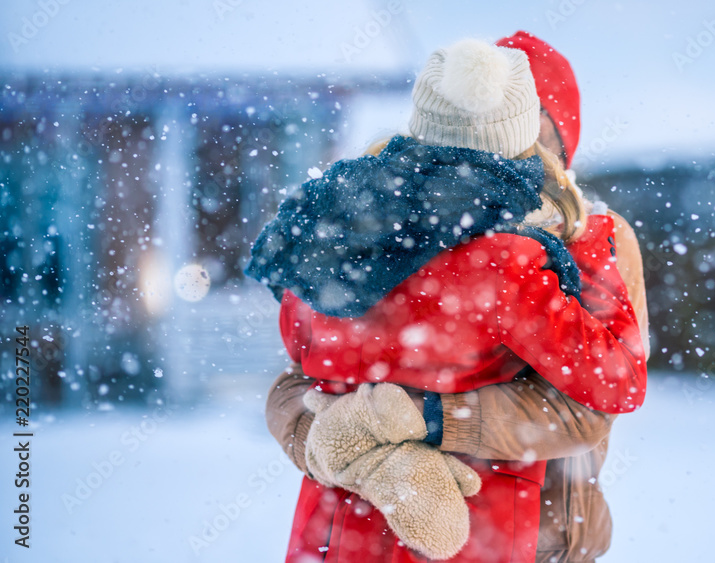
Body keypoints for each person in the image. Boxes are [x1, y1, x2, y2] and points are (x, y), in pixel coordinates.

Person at [250, 38, 646, 563]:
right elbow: (297, 380)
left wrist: (415, 423)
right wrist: (367, 456)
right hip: (473, 529)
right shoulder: (507, 261)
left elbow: (586, 410)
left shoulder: (346, 227)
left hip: (496, 531)